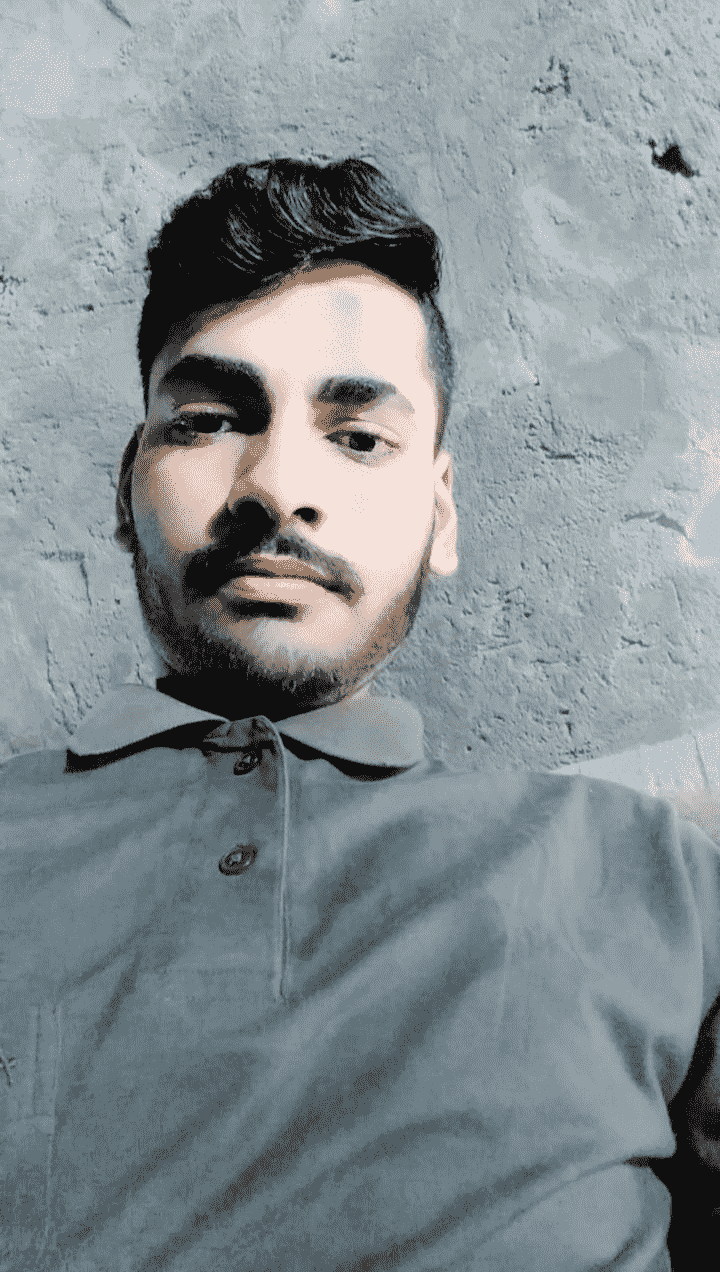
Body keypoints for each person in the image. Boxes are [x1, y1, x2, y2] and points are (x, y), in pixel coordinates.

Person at [0, 157, 718, 1271]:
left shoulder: (656, 875)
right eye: (208, 420)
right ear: (125, 488)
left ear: (442, 515)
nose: (275, 486)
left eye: (358, 436)